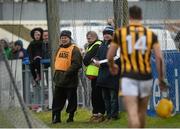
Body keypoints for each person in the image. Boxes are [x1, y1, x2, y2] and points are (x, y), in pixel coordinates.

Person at [107, 5, 167, 128]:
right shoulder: (150, 34)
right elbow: (160, 58)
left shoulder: (120, 33)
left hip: (128, 76)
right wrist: (161, 79)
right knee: (141, 113)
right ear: (141, 17)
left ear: (129, 17)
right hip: (145, 77)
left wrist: (112, 66)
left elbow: (110, 55)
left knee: (132, 114)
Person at [52, 30, 82, 123]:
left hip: (70, 78)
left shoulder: (75, 49)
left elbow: (77, 64)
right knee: (57, 99)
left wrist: (67, 73)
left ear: (69, 38)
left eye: (65, 38)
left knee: (71, 99)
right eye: (62, 38)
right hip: (59, 78)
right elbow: (56, 61)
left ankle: (70, 117)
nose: (63, 39)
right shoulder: (59, 48)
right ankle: (57, 117)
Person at [94, 26, 120, 121]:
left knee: (113, 97)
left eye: (108, 34)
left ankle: (114, 115)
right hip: (102, 76)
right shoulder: (101, 45)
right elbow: (96, 57)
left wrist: (100, 63)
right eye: (105, 34)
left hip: (112, 75)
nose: (106, 36)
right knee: (106, 98)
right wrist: (95, 61)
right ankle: (108, 115)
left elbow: (116, 57)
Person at [83, 31, 105, 122]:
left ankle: (100, 113)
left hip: (98, 73)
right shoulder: (90, 45)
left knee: (98, 94)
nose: (88, 38)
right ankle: (96, 113)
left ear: (96, 37)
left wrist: (87, 59)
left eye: (90, 36)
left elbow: (86, 59)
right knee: (95, 94)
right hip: (94, 74)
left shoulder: (97, 44)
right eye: (87, 37)